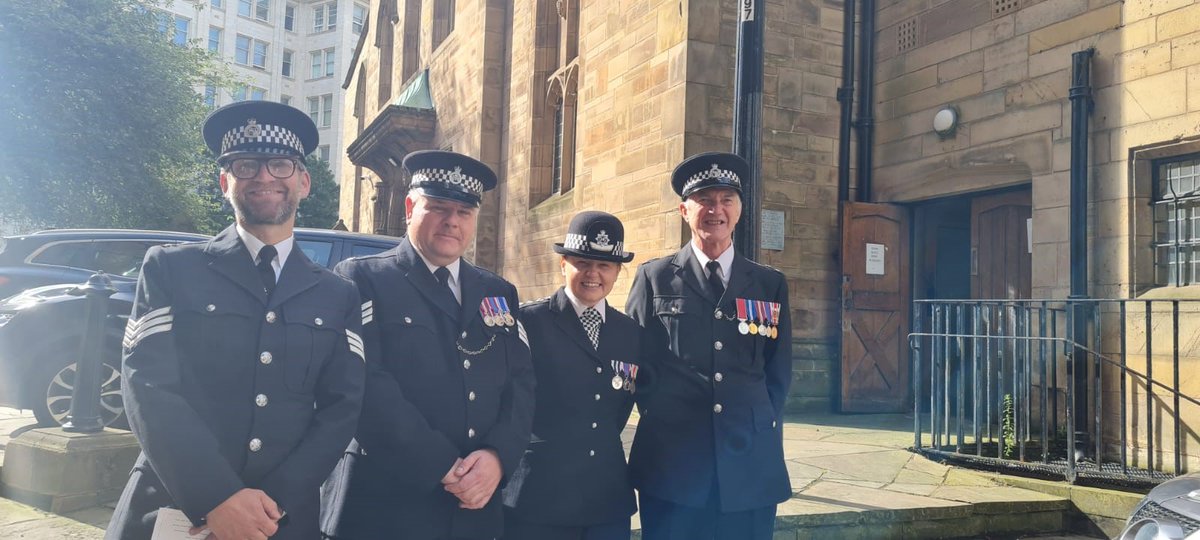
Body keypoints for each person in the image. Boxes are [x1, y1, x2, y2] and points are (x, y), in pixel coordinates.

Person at [107, 101, 366, 540]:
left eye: (280, 165)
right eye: (247, 165)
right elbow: (146, 386)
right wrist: (217, 496)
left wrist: (273, 503)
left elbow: (342, 409)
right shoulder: (171, 269)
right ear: (226, 181)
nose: (264, 177)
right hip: (177, 505)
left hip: (281, 519)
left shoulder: (337, 293)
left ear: (303, 181)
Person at [321, 150, 536, 540]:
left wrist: (498, 458)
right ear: (409, 207)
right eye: (437, 208)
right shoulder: (361, 278)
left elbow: (521, 383)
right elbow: (366, 385)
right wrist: (442, 464)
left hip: (473, 507)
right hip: (385, 503)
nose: (451, 221)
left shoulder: (498, 291)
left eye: (463, 212)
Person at [625, 152, 792, 540]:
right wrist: (666, 415)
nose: (716, 210)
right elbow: (637, 364)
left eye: (726, 200)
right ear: (685, 210)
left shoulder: (769, 284)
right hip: (674, 461)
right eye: (705, 200)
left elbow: (778, 372)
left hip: (748, 461)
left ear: (739, 210)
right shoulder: (654, 278)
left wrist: (753, 419)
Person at [502, 211, 645, 540]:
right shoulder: (528, 322)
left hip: (605, 500)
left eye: (605, 266)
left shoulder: (630, 333)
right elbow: (509, 404)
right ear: (563, 263)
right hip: (539, 497)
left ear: (618, 272)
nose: (593, 274)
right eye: (583, 262)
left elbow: (619, 408)